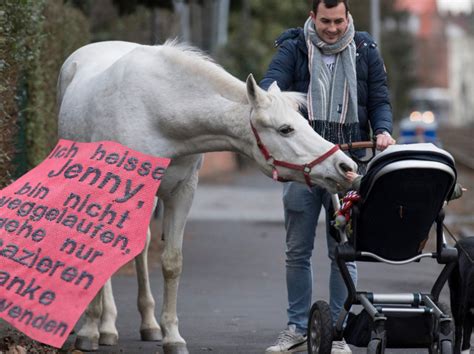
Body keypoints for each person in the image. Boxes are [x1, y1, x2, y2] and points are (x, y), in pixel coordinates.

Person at [260, 1, 396, 353]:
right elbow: (269, 90)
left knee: (345, 253)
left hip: (348, 165)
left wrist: (382, 129)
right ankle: (297, 327)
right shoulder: (293, 48)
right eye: (325, 21)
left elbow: (380, 98)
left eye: (339, 21)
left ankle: (339, 331)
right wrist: (272, 101)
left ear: (348, 18)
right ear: (312, 18)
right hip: (304, 168)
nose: (332, 28)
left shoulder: (365, 50)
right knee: (297, 251)